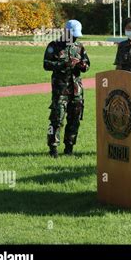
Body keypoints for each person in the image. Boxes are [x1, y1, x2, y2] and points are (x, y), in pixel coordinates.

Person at [44, 20, 90, 158]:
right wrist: (64, 64)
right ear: (66, 32)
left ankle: (69, 148)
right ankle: (53, 149)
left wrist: (81, 65)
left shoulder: (79, 47)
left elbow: (87, 65)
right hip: (60, 89)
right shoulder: (54, 46)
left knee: (74, 119)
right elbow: (46, 64)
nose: (75, 37)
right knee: (57, 119)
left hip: (76, 90)